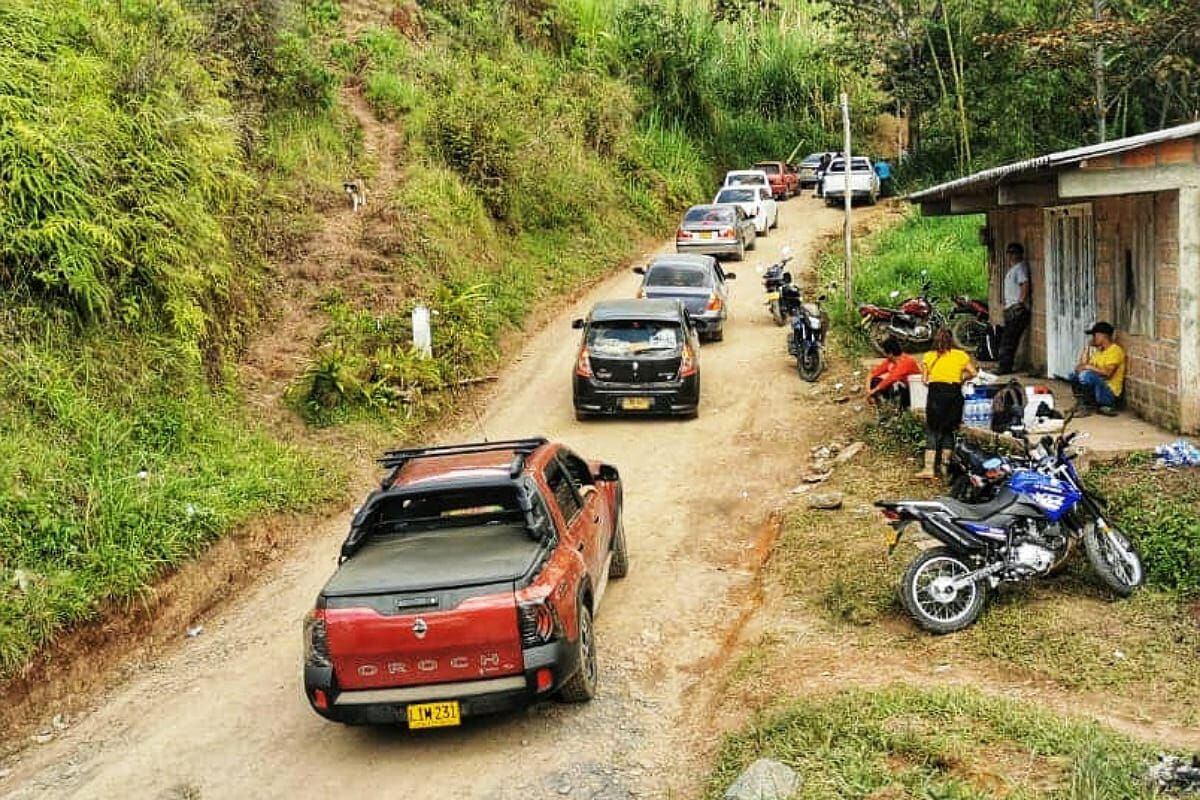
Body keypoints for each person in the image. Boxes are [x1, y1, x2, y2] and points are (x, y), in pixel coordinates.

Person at [918, 328, 978, 479]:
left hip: (936, 395)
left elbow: (924, 380)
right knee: (949, 429)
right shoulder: (960, 355)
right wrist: (960, 379)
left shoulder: (928, 356)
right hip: (954, 394)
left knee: (933, 429)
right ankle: (945, 468)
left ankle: (929, 468)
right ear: (951, 341)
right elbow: (973, 373)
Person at [1069, 321, 1125, 416]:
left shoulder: (1115, 351)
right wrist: (1087, 348)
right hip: (1098, 389)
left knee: (1086, 375)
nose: (1093, 338)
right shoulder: (1099, 352)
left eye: (1094, 336)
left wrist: (1088, 367)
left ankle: (1094, 406)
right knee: (1074, 375)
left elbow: (1108, 373)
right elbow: (1080, 367)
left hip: (1109, 393)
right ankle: (1083, 404)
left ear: (1102, 336)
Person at [996, 242, 1031, 374]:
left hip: (1017, 308)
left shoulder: (1020, 268)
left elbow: (1025, 285)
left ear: (1019, 254)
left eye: (1014, 253)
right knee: (1008, 338)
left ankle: (1004, 367)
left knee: (1009, 339)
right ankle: (1005, 365)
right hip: (1011, 307)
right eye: (1010, 253)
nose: (1011, 256)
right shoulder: (1014, 268)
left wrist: (1020, 303)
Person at [867, 337, 920, 407]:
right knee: (875, 381)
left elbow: (891, 378)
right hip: (899, 386)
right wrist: (868, 390)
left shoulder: (907, 361)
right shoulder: (890, 361)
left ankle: (896, 407)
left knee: (897, 386)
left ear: (890, 353)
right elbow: (872, 373)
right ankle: (882, 401)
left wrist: (873, 390)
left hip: (911, 390)